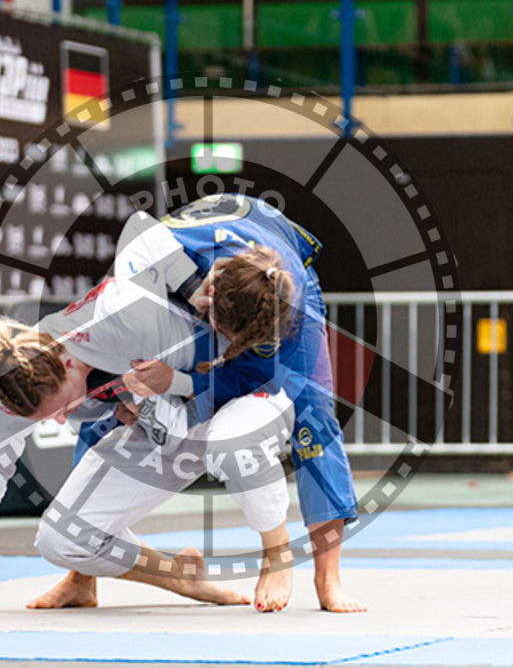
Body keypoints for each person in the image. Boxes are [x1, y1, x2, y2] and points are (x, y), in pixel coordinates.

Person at [0, 212, 300, 612]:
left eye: (59, 409)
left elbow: (141, 227)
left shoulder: (124, 316)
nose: (60, 420)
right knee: (61, 539)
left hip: (243, 391)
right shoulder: (24, 375)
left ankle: (276, 553)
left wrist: (192, 288)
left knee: (231, 444)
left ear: (67, 363)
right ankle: (178, 577)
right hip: (173, 426)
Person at [71, 194, 365, 613]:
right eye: (220, 332)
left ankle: (325, 576)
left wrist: (182, 381)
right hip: (189, 268)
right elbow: (136, 233)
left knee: (313, 414)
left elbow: (249, 378)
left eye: (233, 340)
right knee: (111, 371)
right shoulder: (162, 258)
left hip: (276, 276)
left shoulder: (291, 310)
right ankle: (80, 577)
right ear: (207, 292)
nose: (222, 344)